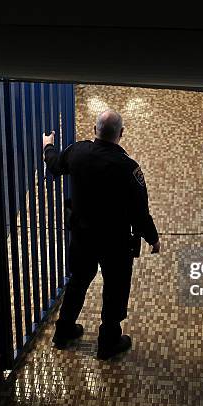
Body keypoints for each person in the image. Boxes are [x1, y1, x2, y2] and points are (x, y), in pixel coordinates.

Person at [42, 109, 160, 360]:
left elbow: (54, 163)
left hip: (83, 236)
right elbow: (140, 212)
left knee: (78, 281)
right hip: (115, 243)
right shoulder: (128, 168)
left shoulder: (77, 152)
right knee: (115, 289)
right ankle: (108, 342)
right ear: (122, 134)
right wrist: (152, 238)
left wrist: (48, 147)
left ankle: (63, 332)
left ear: (95, 130)